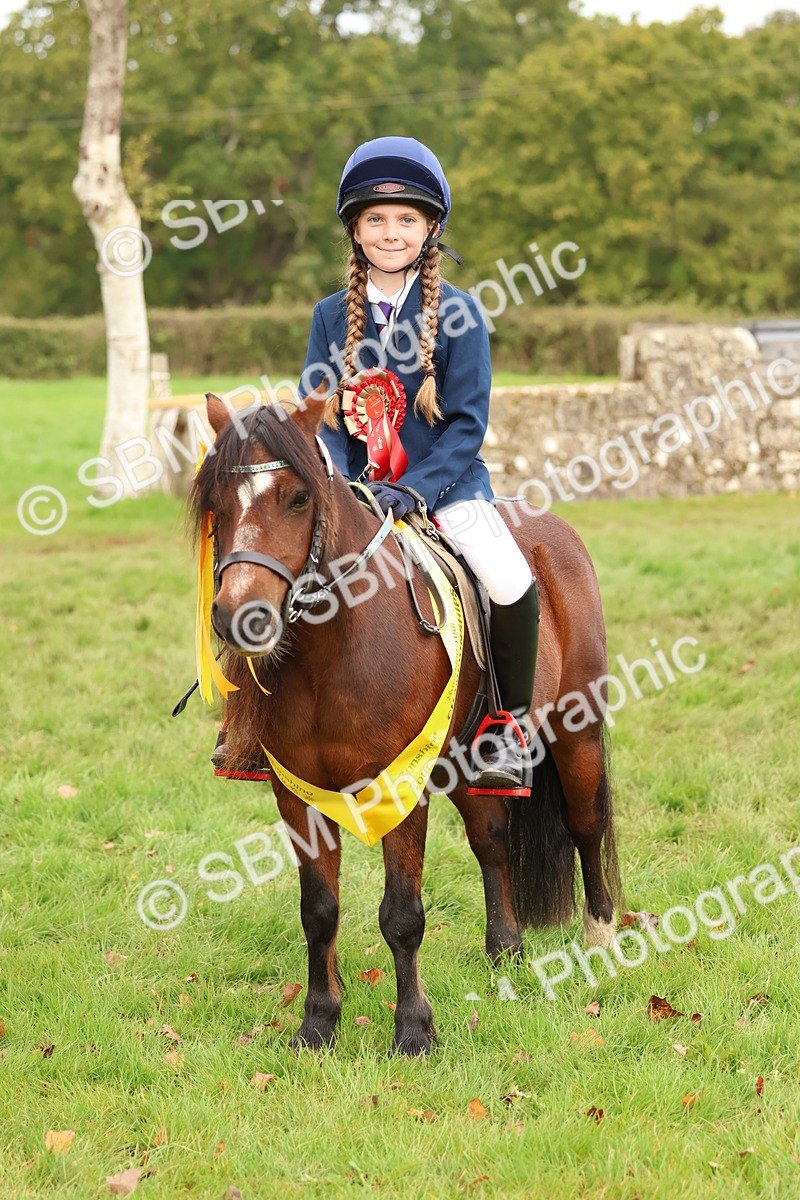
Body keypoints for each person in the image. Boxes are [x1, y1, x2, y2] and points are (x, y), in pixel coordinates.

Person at [298, 136, 540, 791]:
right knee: (276, 572)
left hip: (448, 488)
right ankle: (258, 724)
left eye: (407, 219)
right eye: (375, 219)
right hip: (354, 493)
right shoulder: (328, 316)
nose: (390, 232)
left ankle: (506, 729)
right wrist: (340, 488)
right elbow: (316, 417)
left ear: (431, 228)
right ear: (354, 229)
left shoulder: (459, 314)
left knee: (509, 579)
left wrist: (414, 489)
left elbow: (466, 427)